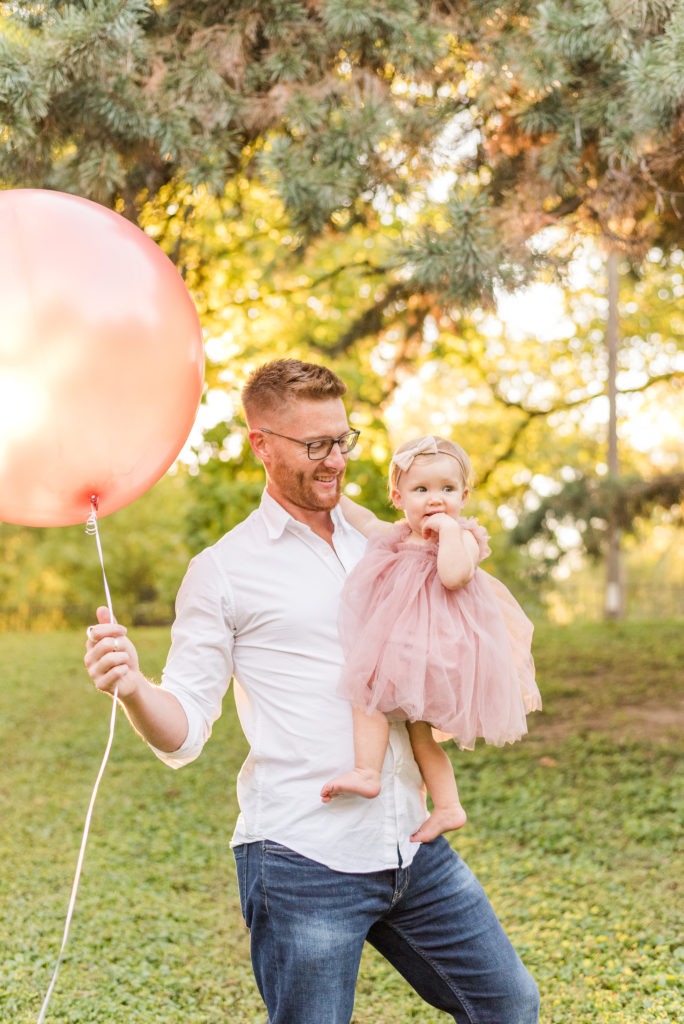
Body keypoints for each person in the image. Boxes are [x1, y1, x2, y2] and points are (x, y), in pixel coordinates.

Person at [84, 359, 540, 1024]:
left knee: (509, 1004)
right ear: (259, 443)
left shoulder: (389, 539)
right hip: (304, 860)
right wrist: (131, 687)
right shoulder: (223, 572)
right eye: (313, 445)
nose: (333, 461)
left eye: (342, 439)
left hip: (412, 844)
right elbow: (183, 731)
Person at [321, 435, 541, 846]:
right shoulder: (396, 535)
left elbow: (454, 575)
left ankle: (395, 783)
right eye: (421, 490)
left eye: (447, 489)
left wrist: (447, 531)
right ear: (398, 496)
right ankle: (434, 800)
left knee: (373, 692)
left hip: (442, 651)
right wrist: (336, 495)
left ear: (464, 495)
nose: (435, 499)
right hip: (406, 650)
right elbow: (364, 520)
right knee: (398, 718)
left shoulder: (467, 538)